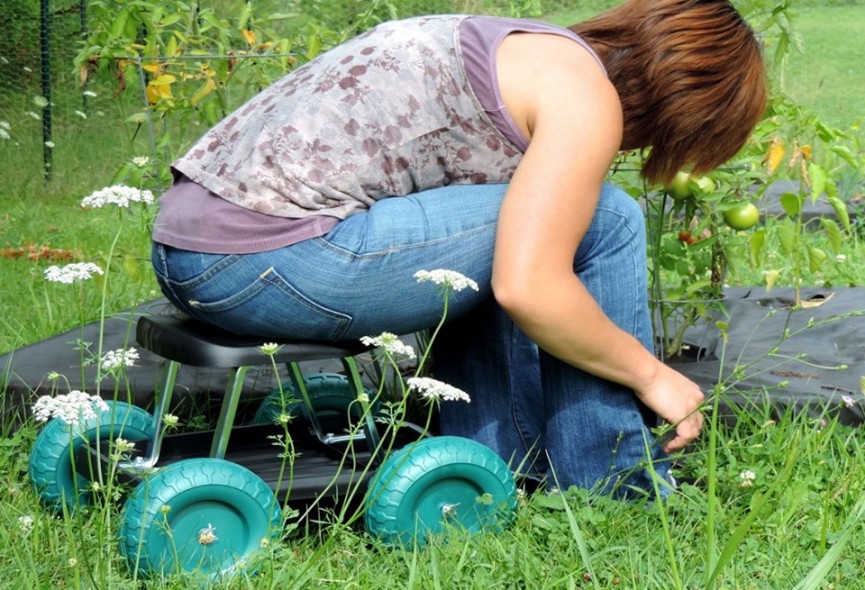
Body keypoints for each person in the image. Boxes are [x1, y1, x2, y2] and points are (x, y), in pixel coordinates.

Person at [149, 0, 767, 496]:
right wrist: (652, 375)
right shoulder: (585, 99)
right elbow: (528, 289)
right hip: (271, 260)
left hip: (189, 251)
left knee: (525, 225)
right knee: (607, 218)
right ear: (687, 105)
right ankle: (611, 481)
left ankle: (500, 461)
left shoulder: (523, 50)